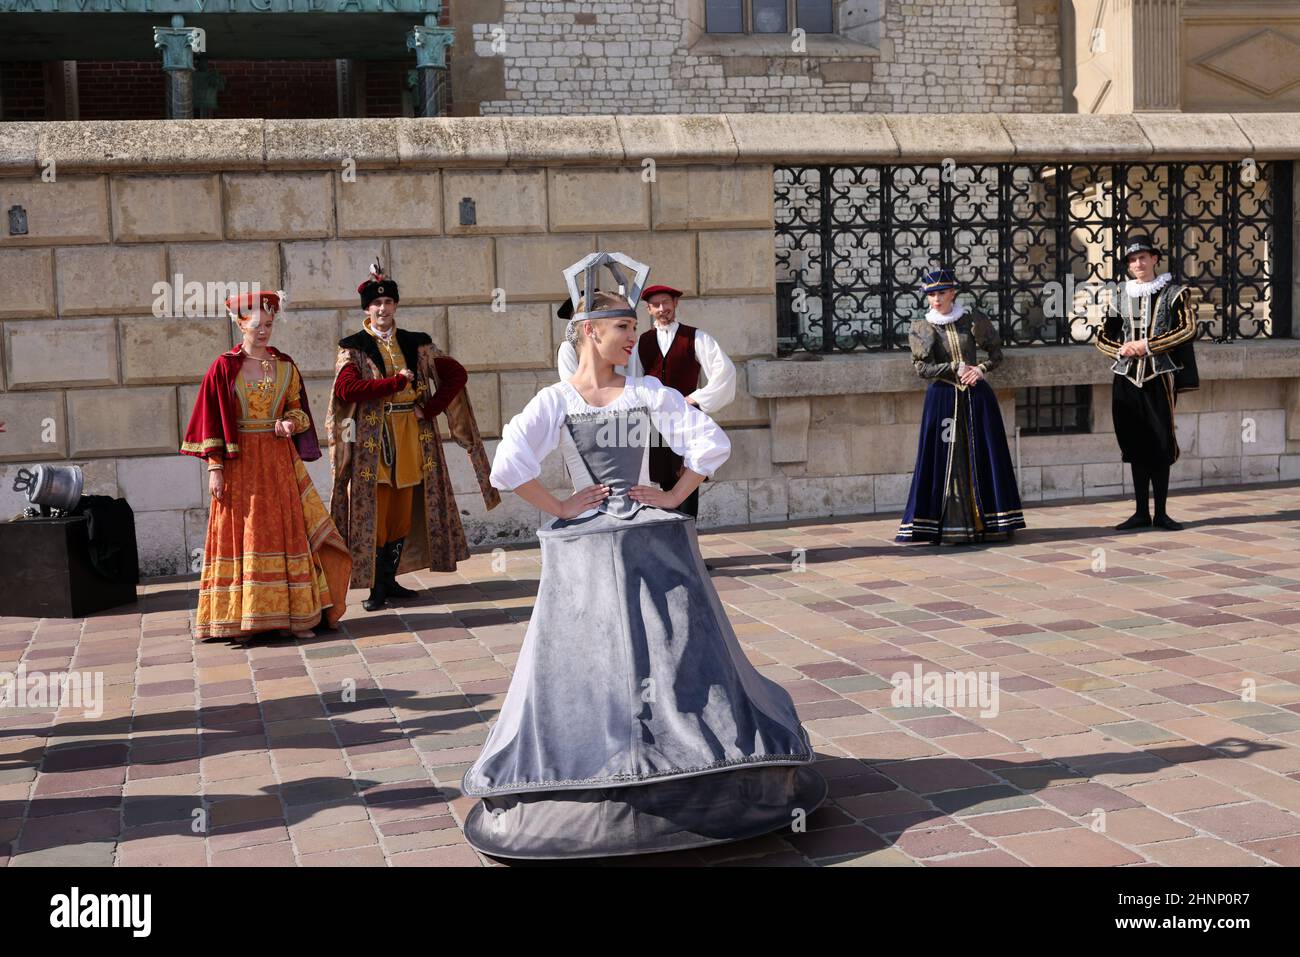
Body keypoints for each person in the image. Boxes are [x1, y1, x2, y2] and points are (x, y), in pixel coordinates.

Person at [460, 252, 825, 860]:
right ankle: (599, 748)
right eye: (624, 328)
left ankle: (679, 748)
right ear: (588, 333)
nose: (635, 337)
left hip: (646, 532)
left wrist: (677, 493)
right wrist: (562, 503)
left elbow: (710, 441)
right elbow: (506, 466)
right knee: (592, 646)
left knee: (673, 640)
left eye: (633, 326)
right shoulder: (557, 401)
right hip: (587, 541)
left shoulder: (647, 393)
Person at [327, 259, 499, 611]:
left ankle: (391, 580)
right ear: (367, 309)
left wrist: (430, 408)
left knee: (402, 513)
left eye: (388, 303)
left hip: (412, 436)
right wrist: (394, 383)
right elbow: (346, 391)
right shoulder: (354, 347)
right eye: (376, 304)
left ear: (396, 306)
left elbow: (456, 375)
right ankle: (375, 586)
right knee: (375, 511)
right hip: (373, 443)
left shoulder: (416, 343)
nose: (382, 309)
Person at [182, 289, 352, 641]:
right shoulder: (223, 368)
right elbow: (210, 421)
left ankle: (296, 617)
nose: (264, 331)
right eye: (257, 324)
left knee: (286, 532)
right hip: (239, 463)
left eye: (269, 324)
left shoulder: (285, 366)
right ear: (240, 324)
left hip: (277, 462)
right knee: (243, 536)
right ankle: (242, 620)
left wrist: (291, 423)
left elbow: (299, 411)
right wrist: (215, 469)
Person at [557, 282, 736, 519]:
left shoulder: (693, 338)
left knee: (682, 476)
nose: (662, 308)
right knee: (648, 481)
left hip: (676, 416)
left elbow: (724, 374)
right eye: (655, 304)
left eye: (666, 302)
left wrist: (696, 398)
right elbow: (626, 379)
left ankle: (684, 537)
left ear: (675, 304)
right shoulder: (639, 344)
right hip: (645, 424)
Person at [896, 267, 1026, 545]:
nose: (936, 299)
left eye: (941, 293)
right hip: (943, 399)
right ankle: (945, 526)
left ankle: (989, 522)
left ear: (953, 292)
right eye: (931, 294)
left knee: (983, 454)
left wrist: (980, 369)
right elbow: (921, 368)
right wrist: (953, 366)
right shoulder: (923, 327)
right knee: (945, 458)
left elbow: (996, 353)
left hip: (977, 397)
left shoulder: (972, 320)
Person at [1095, 235, 1197, 531]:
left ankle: (1161, 513)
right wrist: (1121, 349)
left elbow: (1187, 329)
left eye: (1142, 257)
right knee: (1135, 443)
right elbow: (1103, 335)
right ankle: (1141, 512)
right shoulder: (1118, 295)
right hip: (1126, 377)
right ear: (1128, 266)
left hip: (1158, 376)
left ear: (1154, 259)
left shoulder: (1175, 293)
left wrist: (1148, 346)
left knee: (1160, 443)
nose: (1138, 263)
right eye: (1132, 260)